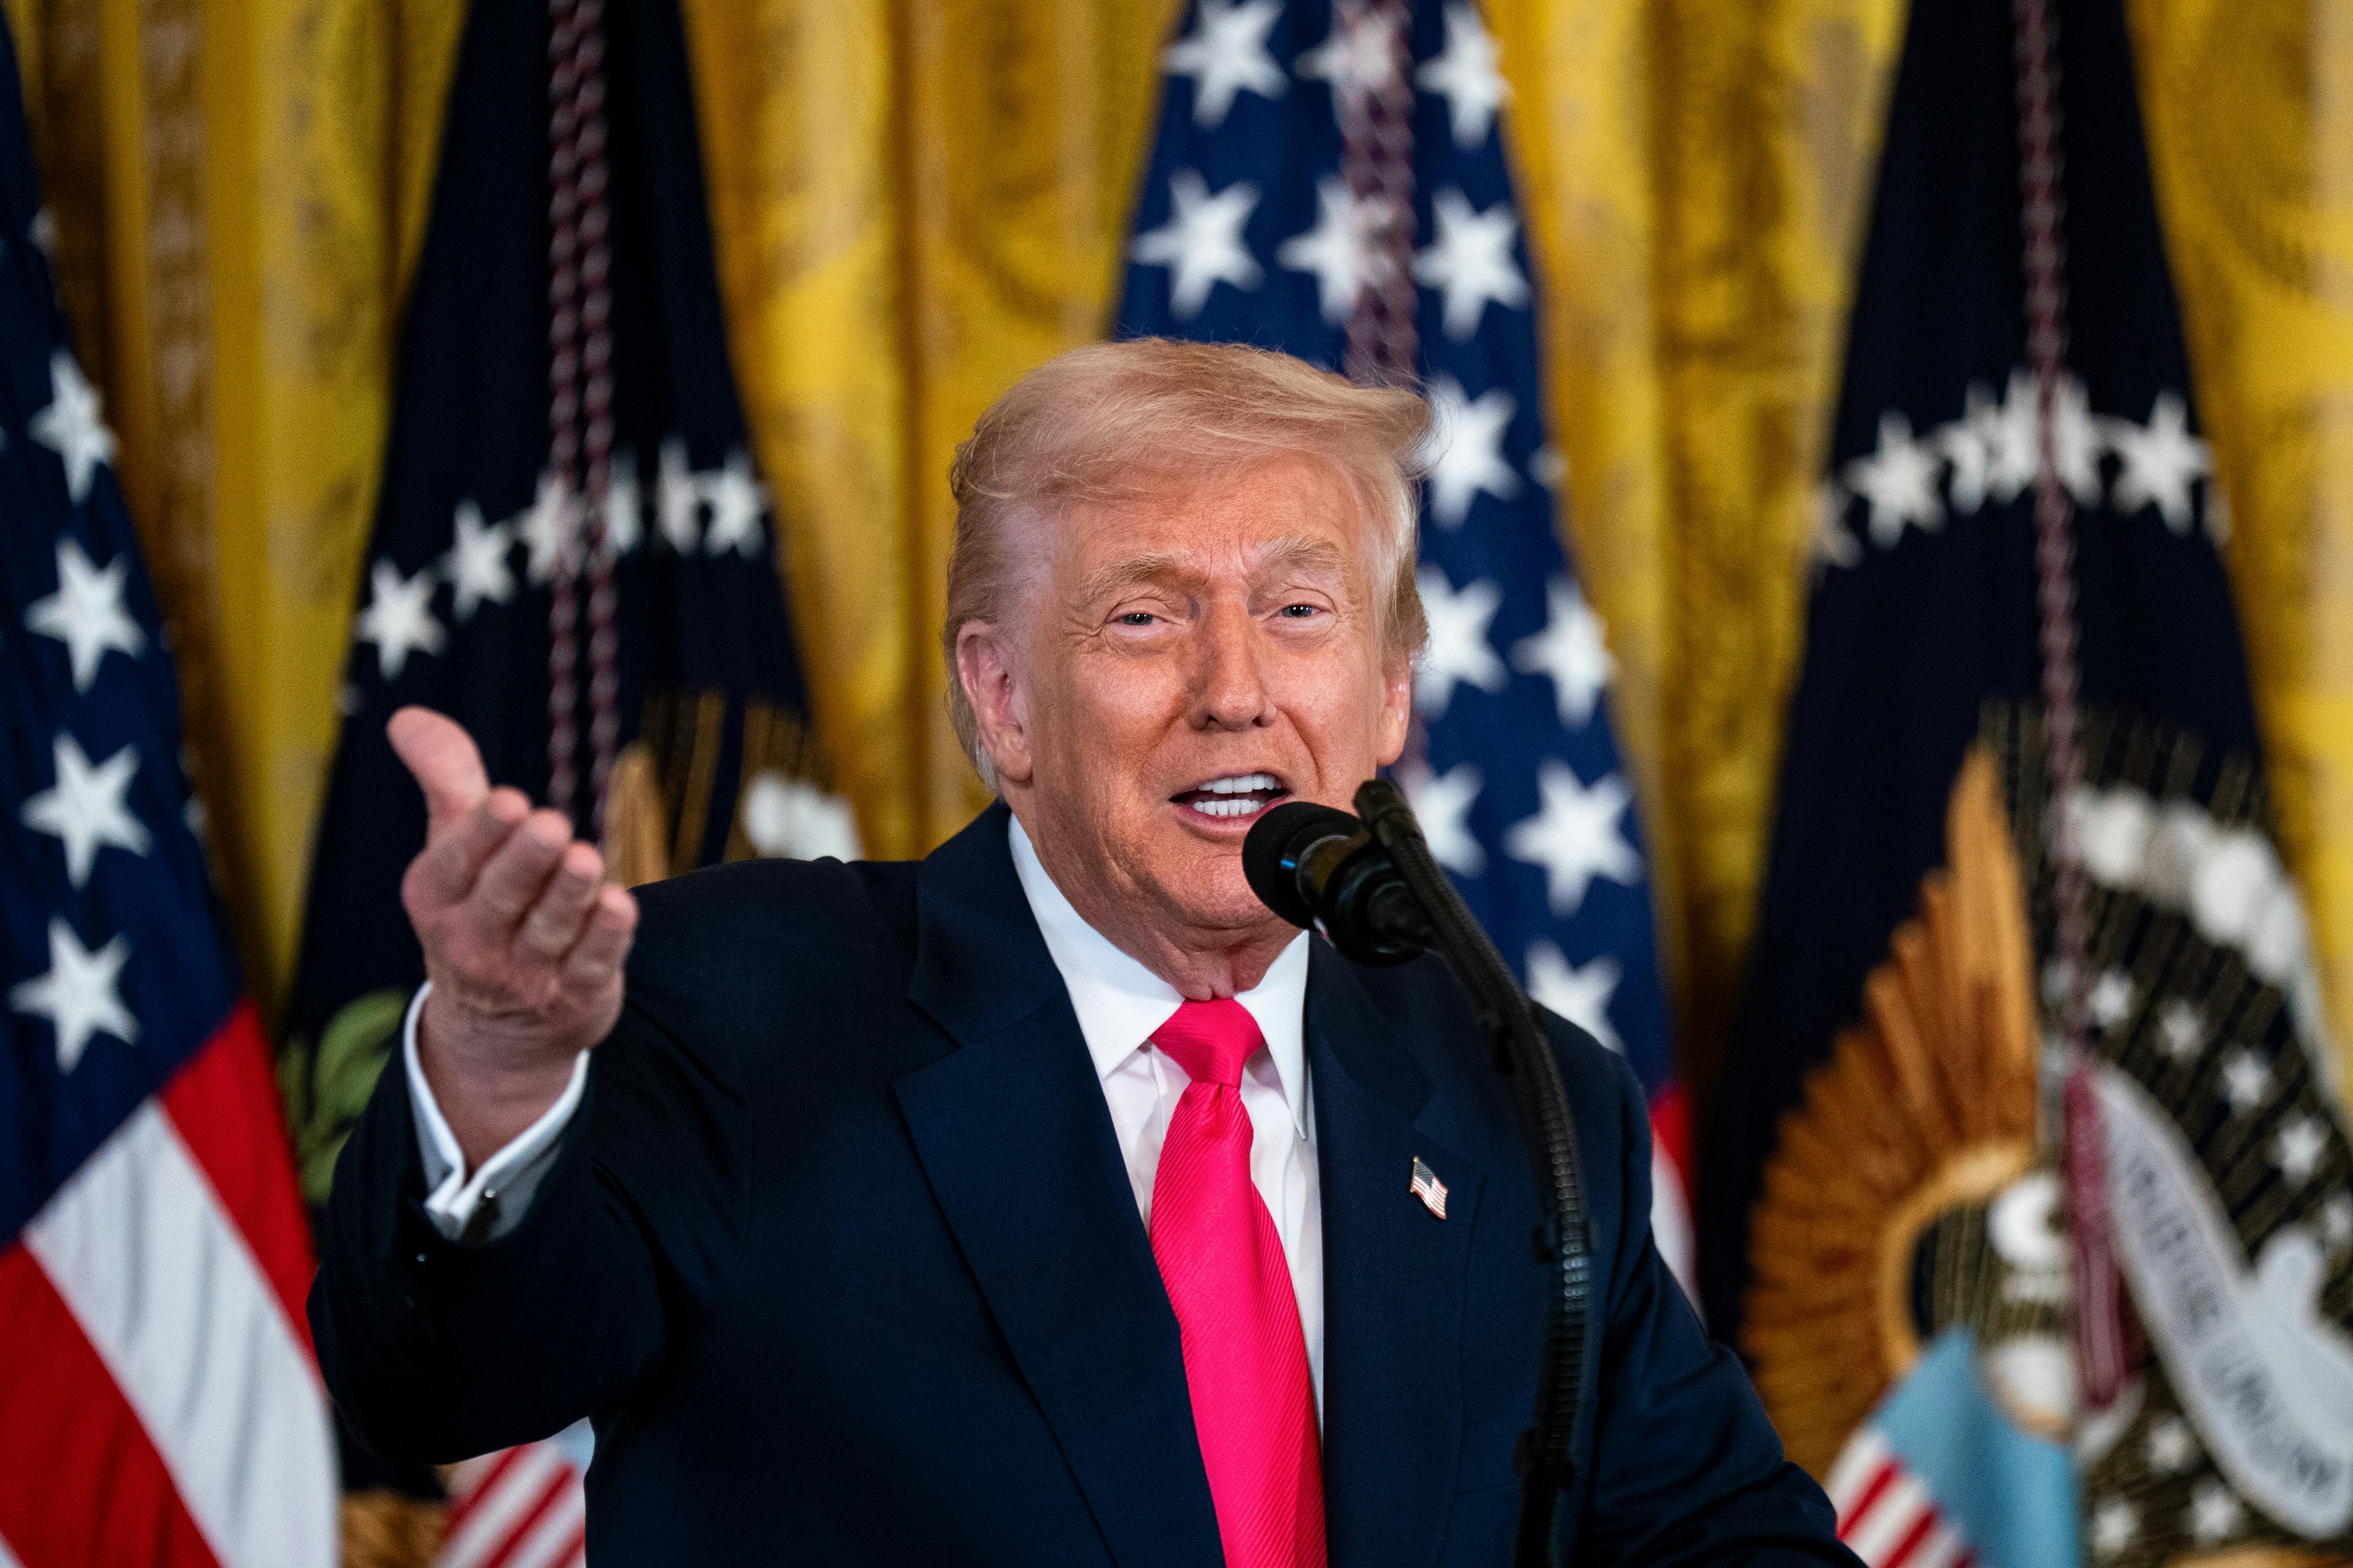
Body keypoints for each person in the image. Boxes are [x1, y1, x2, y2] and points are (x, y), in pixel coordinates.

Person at [312, 339, 1855, 1567]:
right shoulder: (746, 1008)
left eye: (1298, 607)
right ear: (1003, 703)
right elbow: (442, 1383)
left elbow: (1724, 1537)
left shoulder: (1518, 1093)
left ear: (1388, 693)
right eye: (1144, 617)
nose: (1236, 688)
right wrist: (502, 1066)